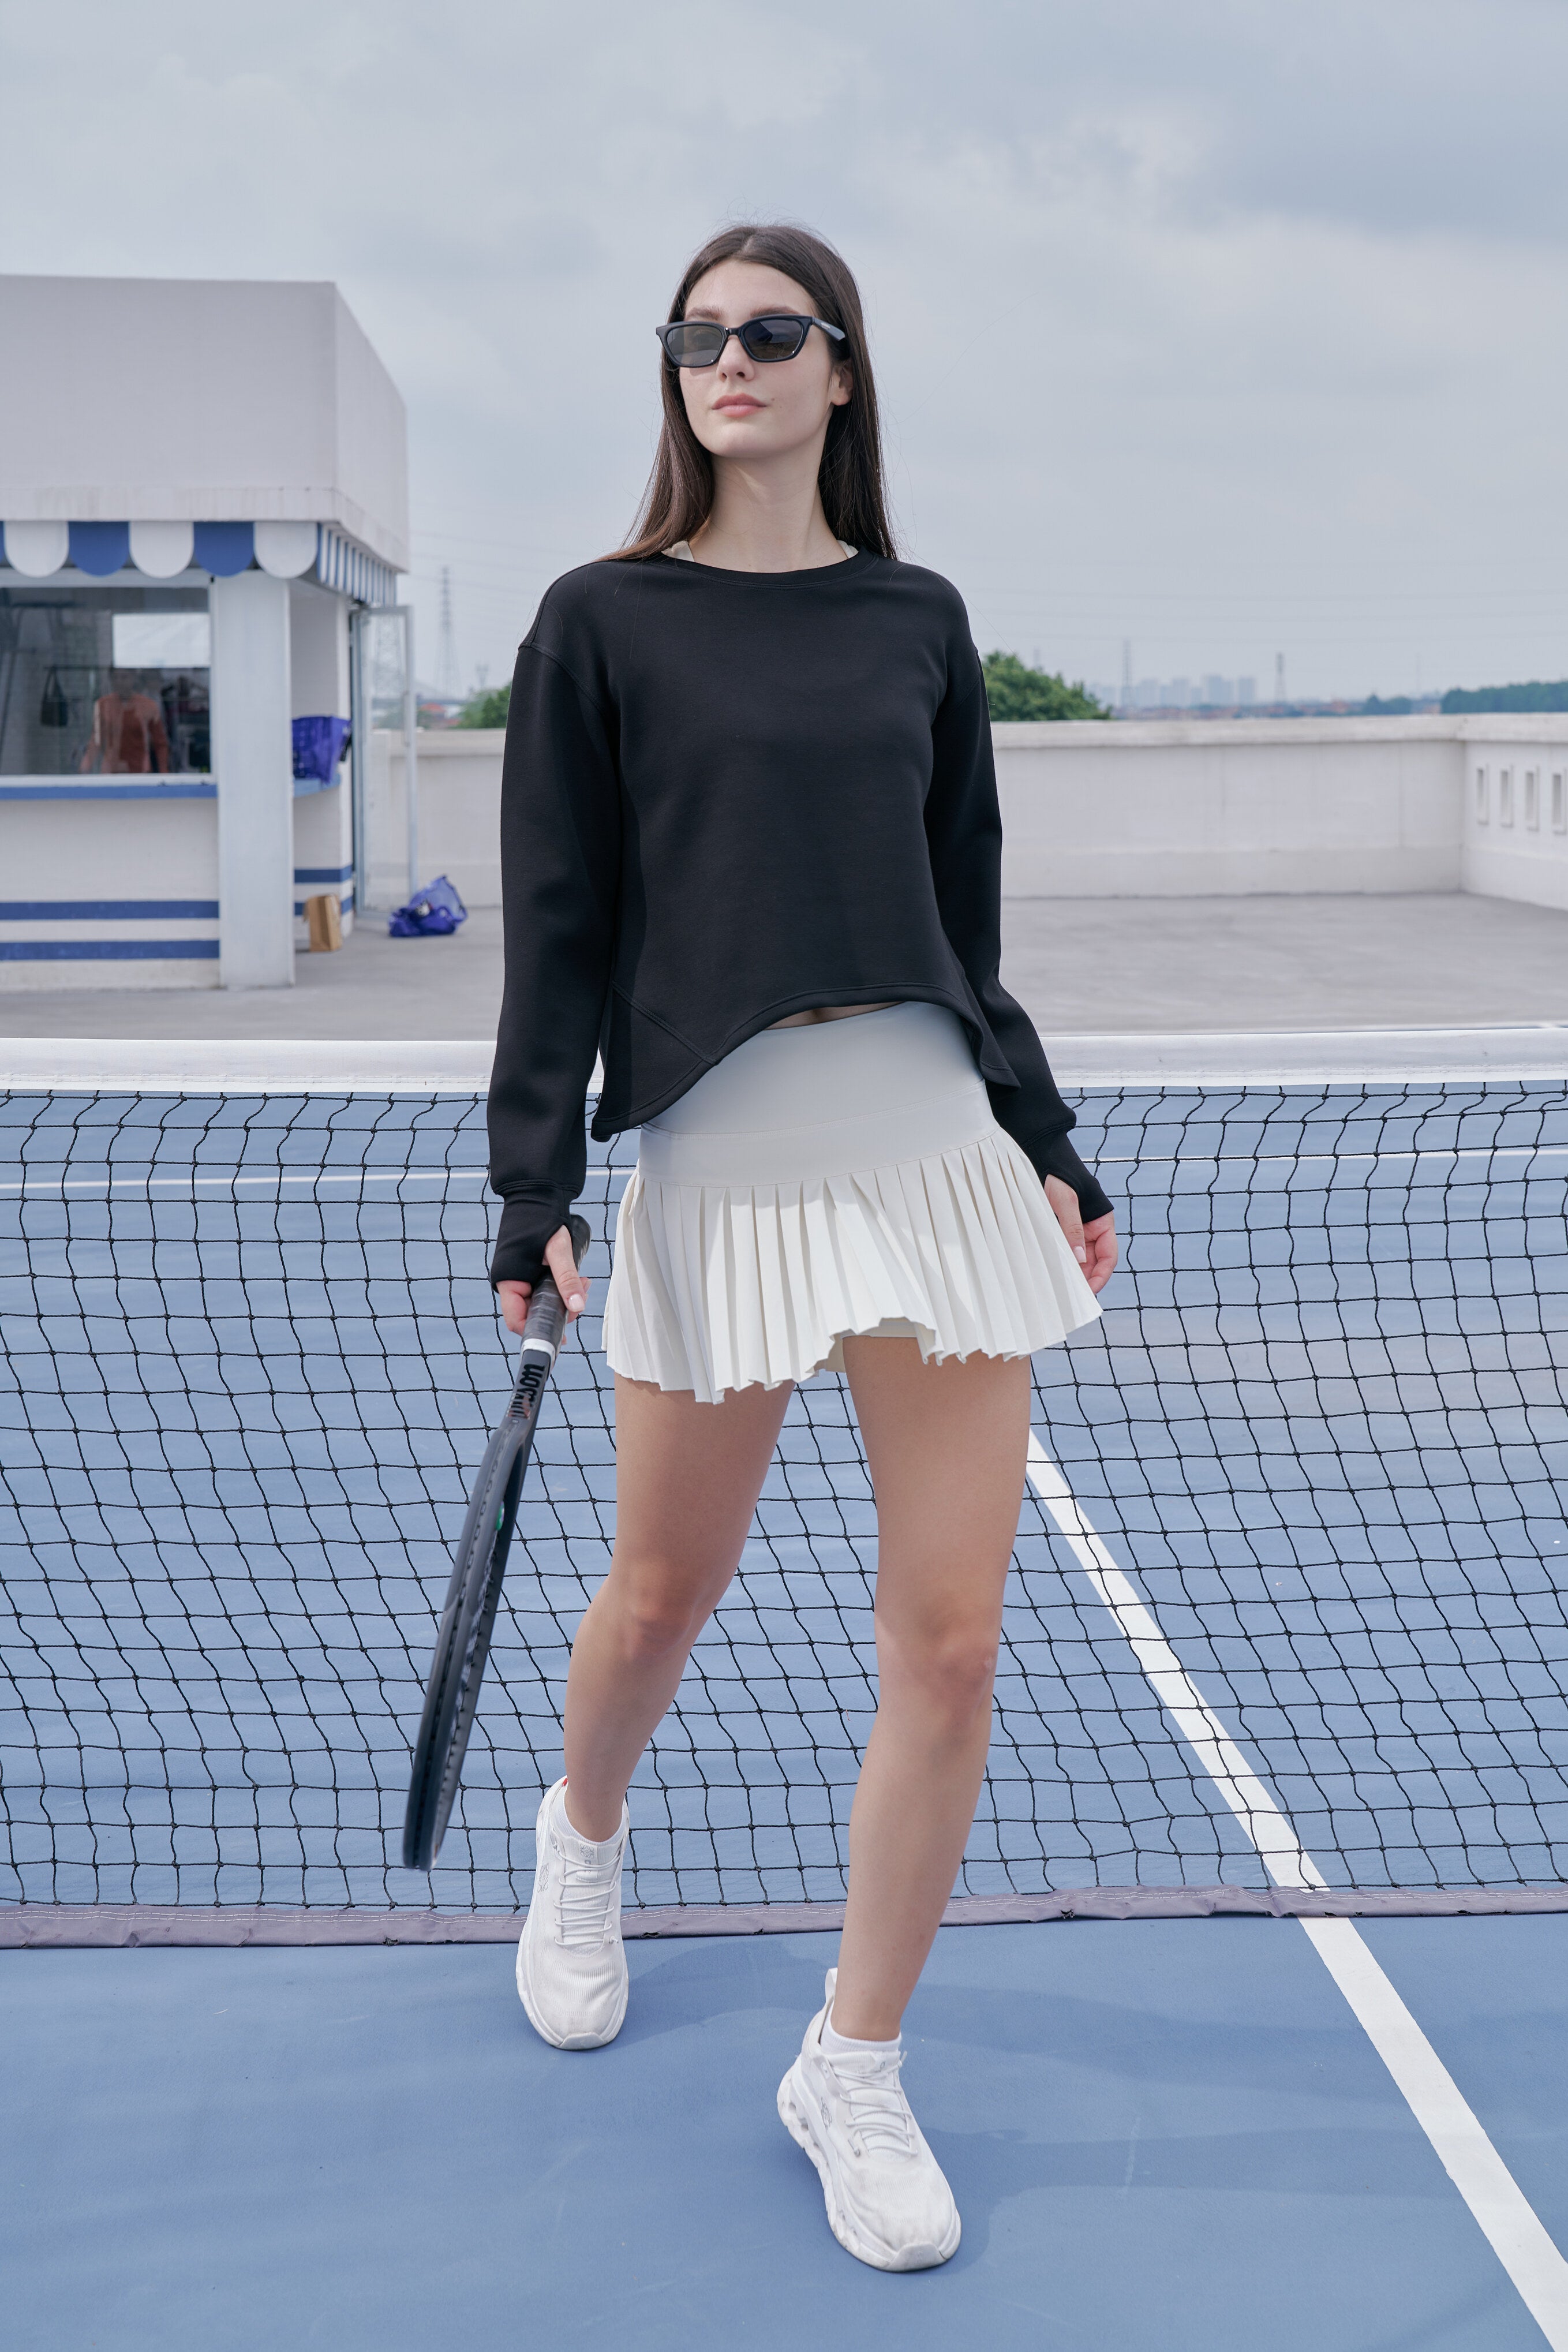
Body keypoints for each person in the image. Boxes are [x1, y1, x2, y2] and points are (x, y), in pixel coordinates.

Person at [487, 221, 1117, 2272]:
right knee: (664, 1591)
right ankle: (584, 1845)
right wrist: (533, 1182)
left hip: (928, 1143)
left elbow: (965, 918)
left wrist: (1046, 1141)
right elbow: (564, 927)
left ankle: (853, 2060)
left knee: (947, 1644)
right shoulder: (597, 624)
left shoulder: (920, 620)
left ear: (844, 372)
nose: (729, 360)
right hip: (722, 1161)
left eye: (772, 333)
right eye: (698, 337)